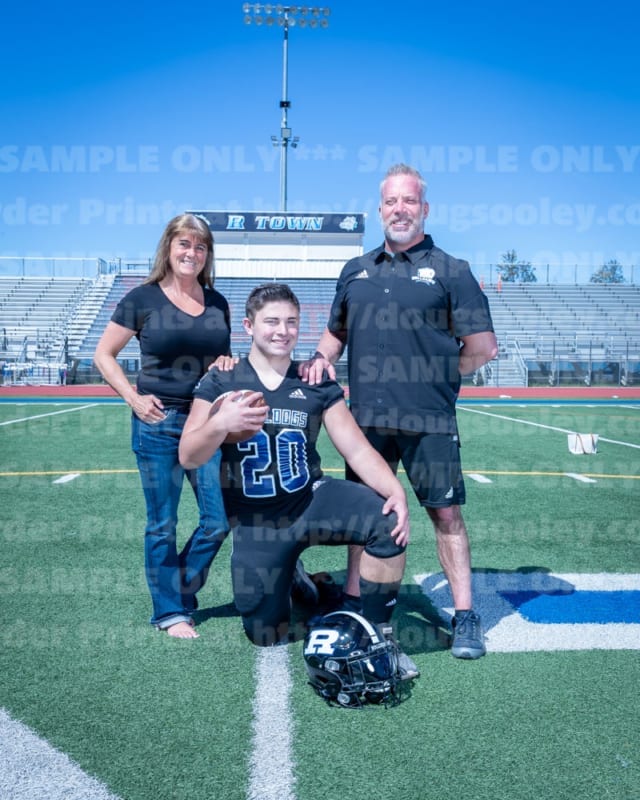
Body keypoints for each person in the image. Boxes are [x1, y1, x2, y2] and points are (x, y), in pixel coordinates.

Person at [300, 163, 498, 659]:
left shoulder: (452, 270)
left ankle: (465, 615)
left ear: (424, 208)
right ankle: (353, 602)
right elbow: (336, 333)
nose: (400, 209)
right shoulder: (356, 269)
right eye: (391, 201)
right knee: (364, 516)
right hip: (366, 420)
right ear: (380, 209)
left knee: (446, 514)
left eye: (409, 201)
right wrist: (320, 358)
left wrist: (439, 375)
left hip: (429, 419)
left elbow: (483, 348)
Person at [179, 283, 415, 671]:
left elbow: (355, 449)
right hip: (257, 522)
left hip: (309, 499)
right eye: (271, 321)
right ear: (248, 326)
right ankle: (299, 582)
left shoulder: (313, 379)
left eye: (291, 322)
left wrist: (395, 491)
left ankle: (377, 633)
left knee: (387, 521)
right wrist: (220, 423)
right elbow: (189, 454)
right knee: (265, 633)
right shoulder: (221, 380)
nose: (282, 330)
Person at [94, 213, 232, 639]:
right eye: (184, 244)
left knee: (218, 520)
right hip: (157, 423)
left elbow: (220, 361)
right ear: (168, 248)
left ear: (207, 254)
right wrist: (133, 398)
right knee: (162, 524)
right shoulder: (142, 298)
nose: (192, 253)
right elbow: (103, 355)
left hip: (204, 421)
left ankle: (179, 591)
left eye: (200, 246)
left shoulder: (217, 302)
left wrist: (225, 365)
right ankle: (169, 612)